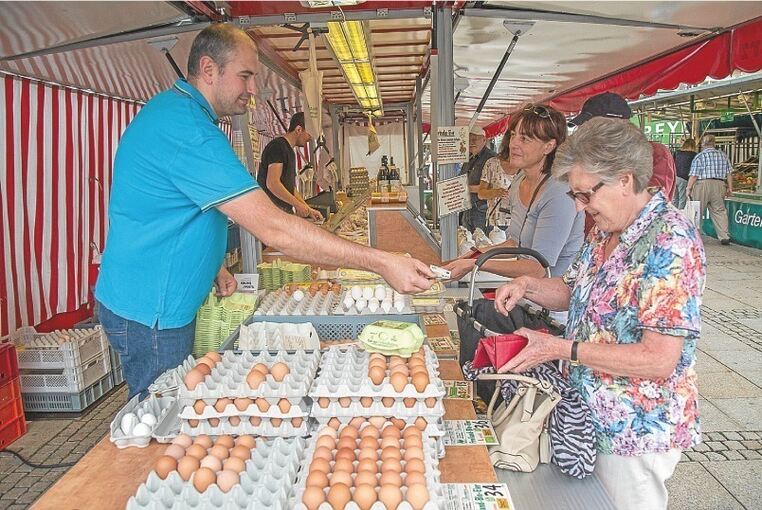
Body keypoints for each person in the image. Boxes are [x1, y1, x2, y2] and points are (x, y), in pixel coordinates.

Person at [94, 24, 434, 399]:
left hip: (149, 300)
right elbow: (275, 230)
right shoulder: (187, 129)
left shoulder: (177, 114)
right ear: (209, 70)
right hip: (151, 313)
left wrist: (213, 265)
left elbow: (172, 207)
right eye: (245, 76)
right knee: (163, 417)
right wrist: (379, 262)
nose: (254, 90)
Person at [493, 118, 705, 510]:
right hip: (585, 413)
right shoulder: (606, 229)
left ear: (625, 180)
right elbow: (575, 291)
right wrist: (528, 285)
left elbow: (658, 359)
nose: (578, 206)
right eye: (575, 195)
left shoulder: (670, 241)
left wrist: (560, 349)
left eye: (585, 195)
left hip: (633, 426)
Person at [446, 104, 584, 281]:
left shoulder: (559, 193)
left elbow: (537, 268)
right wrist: (473, 255)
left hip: (554, 302)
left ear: (548, 146)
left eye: (525, 139)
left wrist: (475, 263)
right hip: (525, 294)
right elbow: (515, 244)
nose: (514, 144)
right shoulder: (520, 180)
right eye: (513, 135)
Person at [568, 92, 677, 201]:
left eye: (589, 127)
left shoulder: (655, 154)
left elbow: (649, 204)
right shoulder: (589, 156)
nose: (583, 132)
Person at [256, 112, 323, 221]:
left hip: (282, 214)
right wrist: (297, 205)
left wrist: (308, 209)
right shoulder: (277, 146)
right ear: (298, 130)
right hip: (271, 214)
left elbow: (290, 187)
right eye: (309, 134)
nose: (310, 138)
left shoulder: (290, 151)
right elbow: (272, 183)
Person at [687, 134, 733, 245]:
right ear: (714, 143)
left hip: (702, 184)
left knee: (696, 210)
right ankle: (724, 236)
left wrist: (688, 188)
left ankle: (694, 236)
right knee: (719, 210)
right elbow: (729, 173)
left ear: (703, 144)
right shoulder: (723, 155)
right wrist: (730, 187)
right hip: (719, 183)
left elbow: (694, 175)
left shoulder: (700, 156)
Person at [459, 125, 496, 233]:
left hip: (482, 210)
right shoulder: (469, 157)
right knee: (469, 242)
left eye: (474, 139)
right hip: (468, 208)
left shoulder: (491, 158)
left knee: (482, 243)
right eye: (469, 139)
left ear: (484, 140)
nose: (471, 142)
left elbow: (492, 186)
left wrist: (465, 188)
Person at [478, 132, 519, 229]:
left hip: (519, 224)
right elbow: (481, 193)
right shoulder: (492, 163)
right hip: (495, 223)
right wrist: (495, 192)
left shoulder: (527, 167)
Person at [672, 138, 697, 209]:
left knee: (674, 199)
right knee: (682, 200)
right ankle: (680, 217)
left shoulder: (677, 152)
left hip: (675, 177)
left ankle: (674, 216)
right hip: (684, 178)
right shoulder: (694, 155)